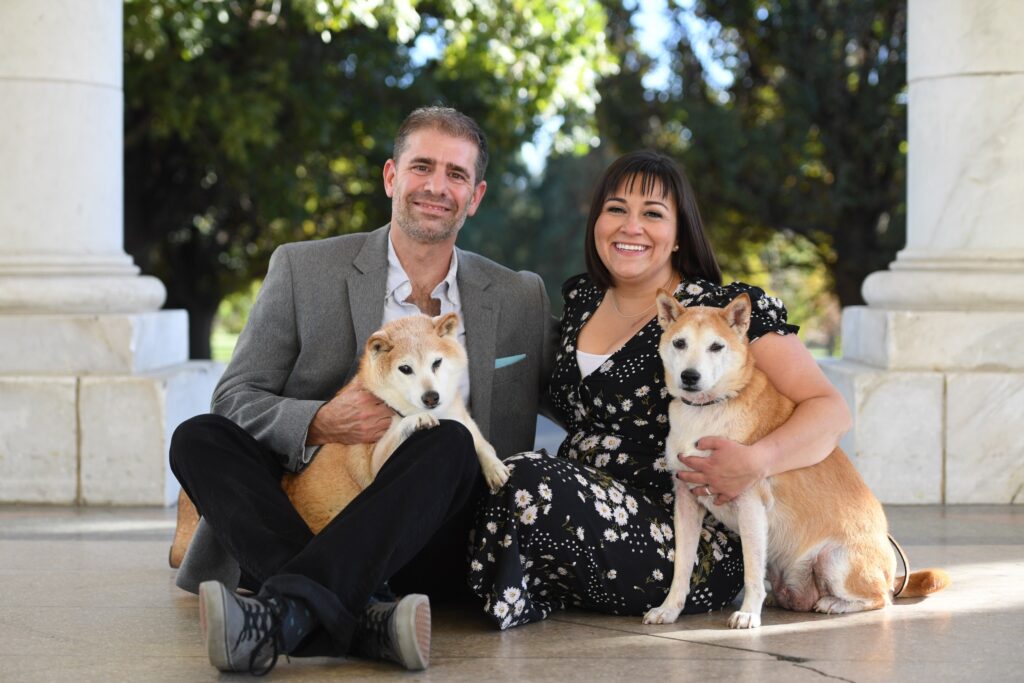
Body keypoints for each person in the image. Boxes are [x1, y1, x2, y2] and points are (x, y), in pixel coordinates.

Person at [169, 106, 555, 674]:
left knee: (448, 439)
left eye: (456, 174)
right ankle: (361, 616)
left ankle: (281, 613)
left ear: (474, 197)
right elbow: (236, 398)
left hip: (433, 538)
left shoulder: (520, 296)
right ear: (391, 177)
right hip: (305, 518)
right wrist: (322, 420)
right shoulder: (304, 268)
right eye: (422, 166)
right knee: (199, 436)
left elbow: (587, 390)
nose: (436, 186)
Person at [468, 150, 852, 629]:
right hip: (579, 507)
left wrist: (756, 462)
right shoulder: (582, 301)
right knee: (478, 479)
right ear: (597, 223)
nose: (632, 226)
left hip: (682, 532)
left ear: (679, 234)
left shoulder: (716, 312)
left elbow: (831, 410)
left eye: (652, 213)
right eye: (616, 209)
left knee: (527, 480)